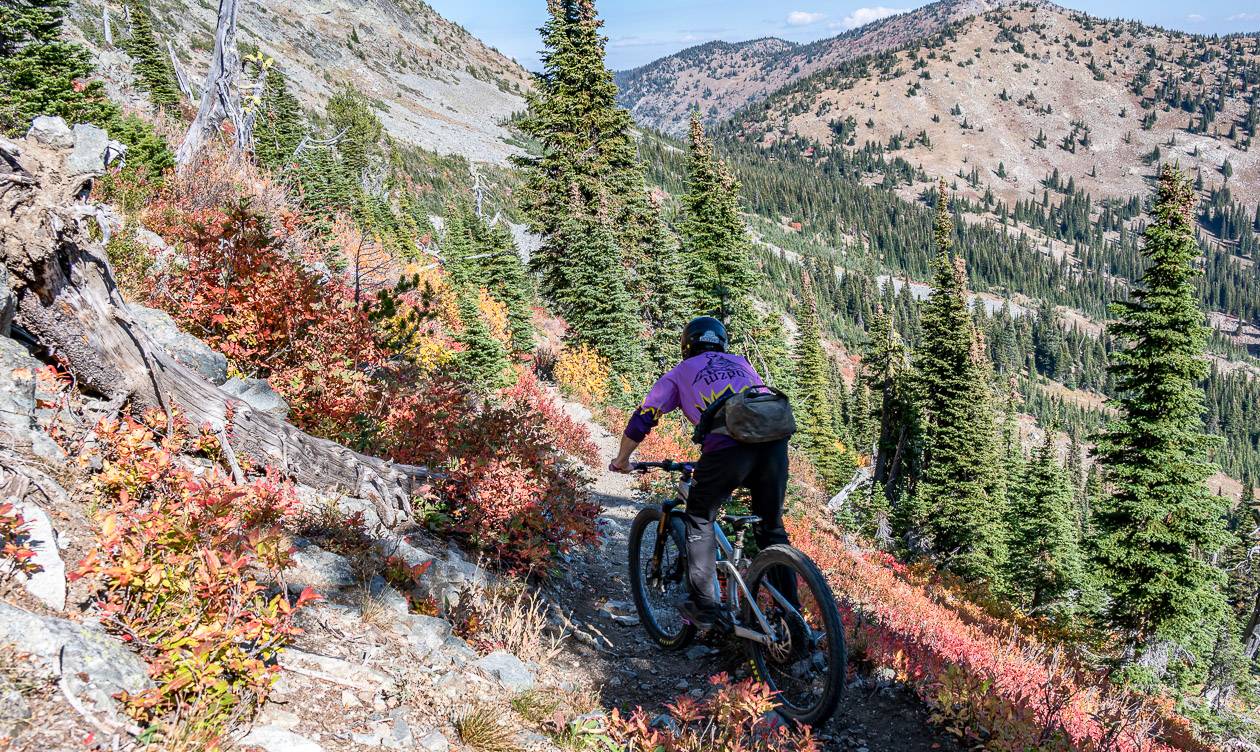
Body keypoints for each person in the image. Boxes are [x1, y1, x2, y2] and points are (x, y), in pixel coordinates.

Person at [609, 316, 792, 631]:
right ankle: (792, 618)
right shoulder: (742, 363)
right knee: (771, 529)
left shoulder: (679, 373)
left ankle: (706, 606)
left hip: (726, 449)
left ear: (686, 345)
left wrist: (623, 459)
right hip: (774, 446)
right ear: (721, 343)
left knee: (700, 517)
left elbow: (644, 417)